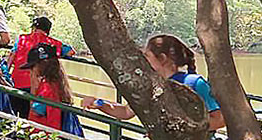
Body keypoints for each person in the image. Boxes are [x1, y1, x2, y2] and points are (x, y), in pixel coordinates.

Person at [82, 33, 225, 131]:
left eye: (147, 56)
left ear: (162, 59)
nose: (144, 60)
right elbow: (126, 112)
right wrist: (98, 103)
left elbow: (219, 120)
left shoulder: (195, 83)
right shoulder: (150, 85)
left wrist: (184, 128)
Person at [8, 17, 76, 118]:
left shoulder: (22, 39)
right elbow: (70, 52)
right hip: (40, 87)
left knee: (15, 115)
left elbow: (11, 58)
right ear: (48, 31)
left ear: (34, 28)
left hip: (17, 84)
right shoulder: (53, 43)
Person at [22, 43, 84, 140]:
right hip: (55, 137)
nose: (30, 71)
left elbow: (36, 110)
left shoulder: (46, 88)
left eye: (32, 67)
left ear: (39, 67)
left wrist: (33, 88)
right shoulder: (58, 83)